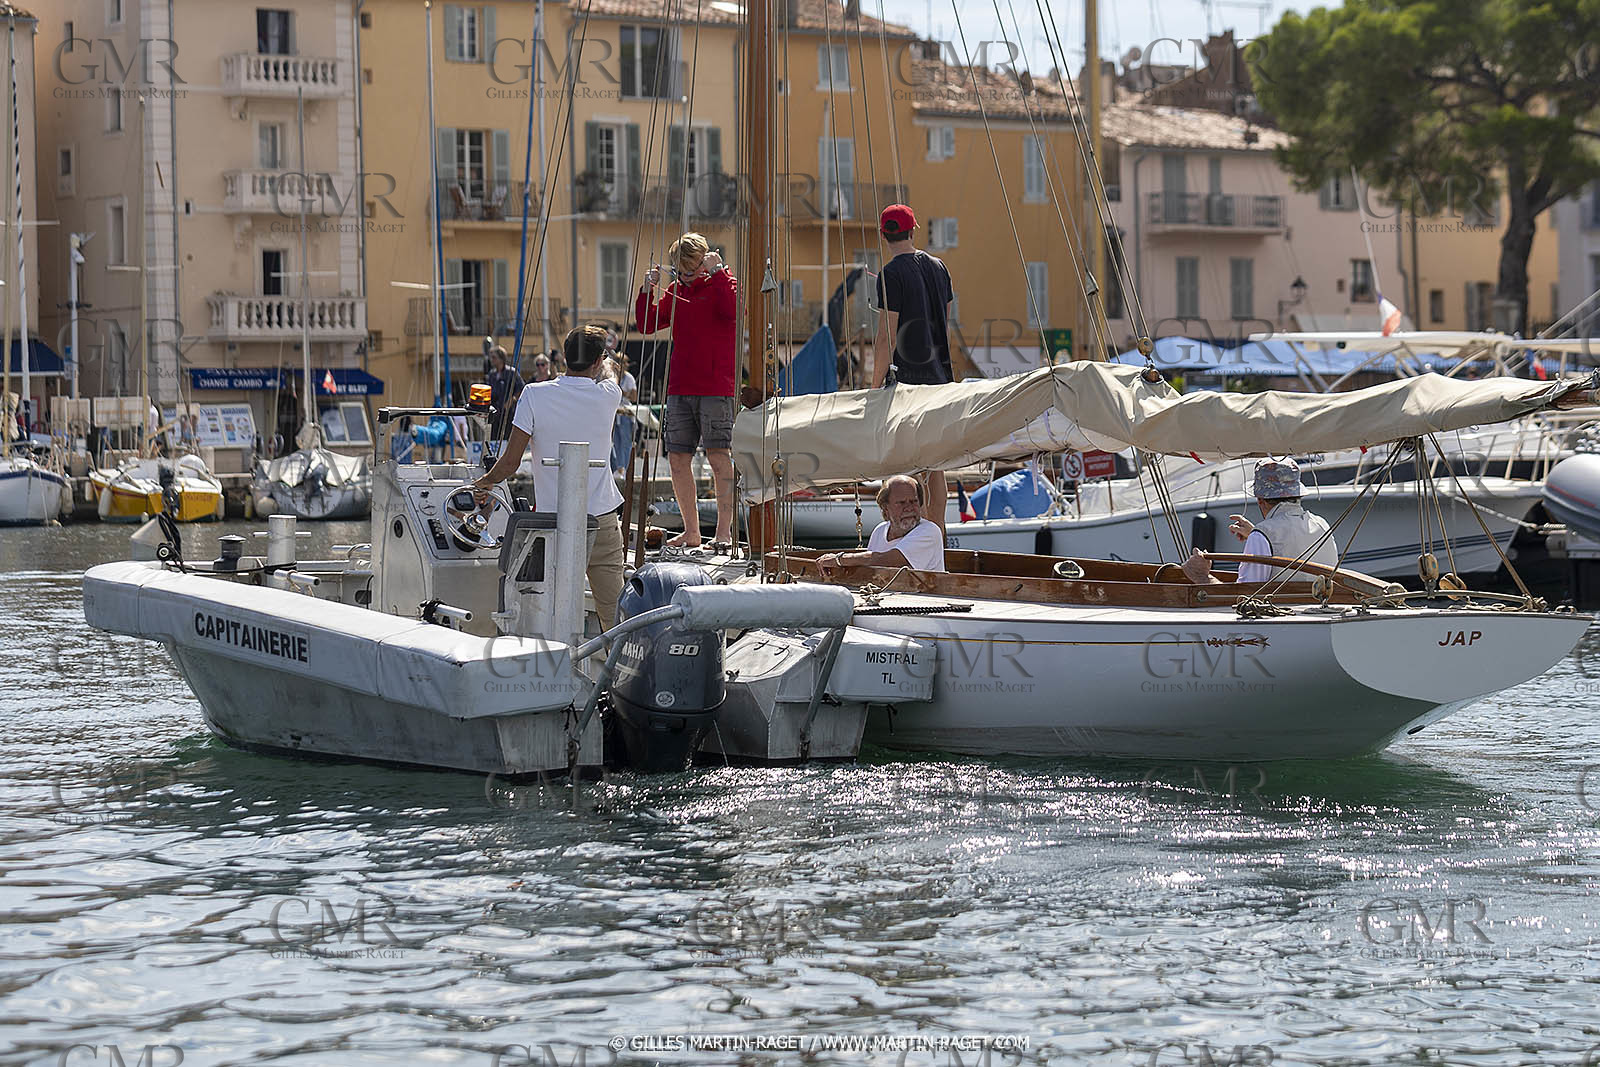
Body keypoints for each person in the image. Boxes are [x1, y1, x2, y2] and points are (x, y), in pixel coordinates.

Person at [472, 324, 627, 630]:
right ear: (596, 362)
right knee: (615, 619)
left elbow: (510, 463)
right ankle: (617, 676)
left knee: (552, 615)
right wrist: (607, 361)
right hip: (603, 521)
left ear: (563, 360)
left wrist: (484, 482)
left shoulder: (533, 395)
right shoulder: (610, 395)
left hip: (554, 526)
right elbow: (611, 373)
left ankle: (554, 674)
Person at [633, 231, 738, 548]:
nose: (685, 277)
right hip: (679, 386)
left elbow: (732, 312)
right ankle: (692, 532)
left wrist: (719, 273)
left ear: (706, 262)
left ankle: (723, 532)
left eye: (690, 271)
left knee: (719, 457)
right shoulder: (676, 290)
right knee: (678, 459)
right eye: (679, 271)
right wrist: (646, 291)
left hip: (716, 386)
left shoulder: (724, 283)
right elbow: (647, 324)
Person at [872, 203, 953, 532]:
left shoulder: (890, 275)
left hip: (907, 381)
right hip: (940, 377)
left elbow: (886, 336)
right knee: (936, 465)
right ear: (914, 230)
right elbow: (944, 323)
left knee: (911, 463)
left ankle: (916, 536)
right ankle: (939, 533)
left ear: (884, 235)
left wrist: (873, 386)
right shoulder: (939, 267)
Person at [1180, 457, 1339, 585]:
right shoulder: (1321, 524)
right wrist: (1258, 536)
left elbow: (1244, 598)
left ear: (1260, 500)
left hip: (1283, 620)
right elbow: (1288, 542)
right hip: (1319, 613)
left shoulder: (1263, 535)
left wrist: (1202, 577)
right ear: (1298, 494)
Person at [814, 474, 947, 576]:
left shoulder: (929, 531)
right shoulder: (880, 530)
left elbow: (885, 560)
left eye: (913, 502)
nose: (909, 508)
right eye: (901, 503)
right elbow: (870, 567)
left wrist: (839, 559)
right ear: (885, 508)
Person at [484, 343, 524, 442]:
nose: (492, 360)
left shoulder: (511, 372)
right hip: (494, 413)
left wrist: (512, 400)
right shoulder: (492, 375)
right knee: (493, 439)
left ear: (501, 359)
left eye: (494, 357)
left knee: (506, 439)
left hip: (507, 413)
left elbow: (521, 388)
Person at [610, 352, 639, 478]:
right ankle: (617, 468)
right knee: (615, 442)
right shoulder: (612, 377)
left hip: (625, 414)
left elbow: (634, 397)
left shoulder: (629, 378)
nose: (626, 365)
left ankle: (625, 469)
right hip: (613, 414)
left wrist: (622, 392)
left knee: (626, 442)